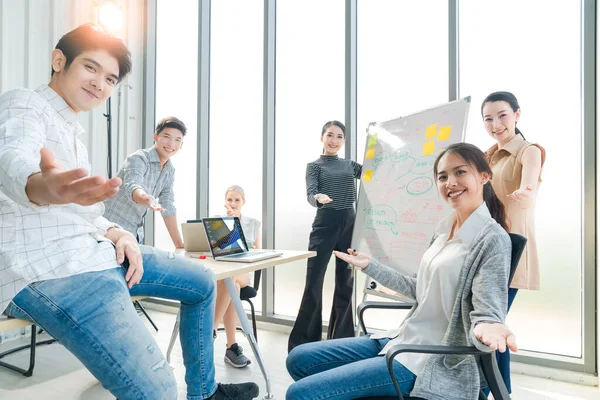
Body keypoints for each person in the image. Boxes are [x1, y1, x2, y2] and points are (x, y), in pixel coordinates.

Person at [0, 23, 258, 400]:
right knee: (157, 391)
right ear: (59, 60)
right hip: (50, 270)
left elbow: (86, 213)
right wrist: (39, 185)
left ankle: (204, 393)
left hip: (97, 250)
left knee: (202, 281)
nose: (100, 84)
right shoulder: (25, 103)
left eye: (110, 79)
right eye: (90, 68)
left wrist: (117, 233)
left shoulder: (73, 132)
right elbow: (13, 159)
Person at [285, 142, 518, 400]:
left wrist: (490, 325)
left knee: (300, 394)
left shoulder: (491, 239)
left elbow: (488, 308)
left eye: (460, 172)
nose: (451, 182)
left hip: (428, 360)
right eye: (443, 176)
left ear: (484, 176)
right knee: (299, 359)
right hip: (403, 339)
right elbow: (418, 288)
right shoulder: (444, 229)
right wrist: (370, 266)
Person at [482, 91, 545, 393]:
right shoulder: (486, 156)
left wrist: (528, 192)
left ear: (517, 115)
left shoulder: (528, 150)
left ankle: (499, 392)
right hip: (485, 250)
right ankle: (490, 391)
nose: (496, 124)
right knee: (487, 328)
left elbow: (530, 183)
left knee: (492, 328)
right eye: (489, 119)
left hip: (511, 250)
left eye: (502, 115)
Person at [287, 120, 362, 353]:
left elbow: (375, 171)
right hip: (324, 223)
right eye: (330, 135)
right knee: (314, 281)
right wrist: (317, 197)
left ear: (344, 141)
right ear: (322, 137)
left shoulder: (350, 165)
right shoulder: (314, 166)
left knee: (345, 282)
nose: (334, 140)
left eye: (339, 136)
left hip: (349, 222)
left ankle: (341, 340)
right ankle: (304, 343)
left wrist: (376, 136)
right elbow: (311, 191)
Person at [103, 116, 186, 248]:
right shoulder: (138, 158)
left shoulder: (169, 170)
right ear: (155, 137)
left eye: (177, 140)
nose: (171, 144)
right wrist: (145, 198)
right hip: (109, 229)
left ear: (181, 145)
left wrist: (180, 245)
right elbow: (133, 185)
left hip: (134, 233)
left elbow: (167, 205)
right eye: (166, 136)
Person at [213, 185, 260, 368]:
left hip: (243, 270)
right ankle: (231, 347)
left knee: (233, 280)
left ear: (243, 202)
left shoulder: (253, 223)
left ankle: (212, 330)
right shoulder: (217, 222)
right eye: (230, 200)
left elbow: (257, 251)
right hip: (225, 272)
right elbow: (218, 249)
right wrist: (228, 223)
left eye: (237, 200)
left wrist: (236, 225)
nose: (233, 203)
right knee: (232, 284)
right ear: (225, 202)